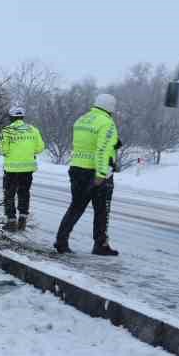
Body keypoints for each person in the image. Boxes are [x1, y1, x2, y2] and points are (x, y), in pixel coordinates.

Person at [54, 92, 120, 256]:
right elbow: (102, 149)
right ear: (111, 108)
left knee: (76, 207)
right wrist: (102, 173)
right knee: (101, 210)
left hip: (76, 168)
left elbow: (85, 145)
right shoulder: (106, 123)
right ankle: (100, 245)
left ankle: (61, 241)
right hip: (95, 172)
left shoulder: (82, 120)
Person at [0, 104, 44, 230]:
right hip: (27, 169)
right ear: (22, 117)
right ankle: (22, 220)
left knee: (9, 194)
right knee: (24, 192)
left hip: (11, 169)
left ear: (11, 117)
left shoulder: (7, 130)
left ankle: (11, 221)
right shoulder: (33, 130)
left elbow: (3, 149)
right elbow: (40, 148)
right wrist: (28, 151)